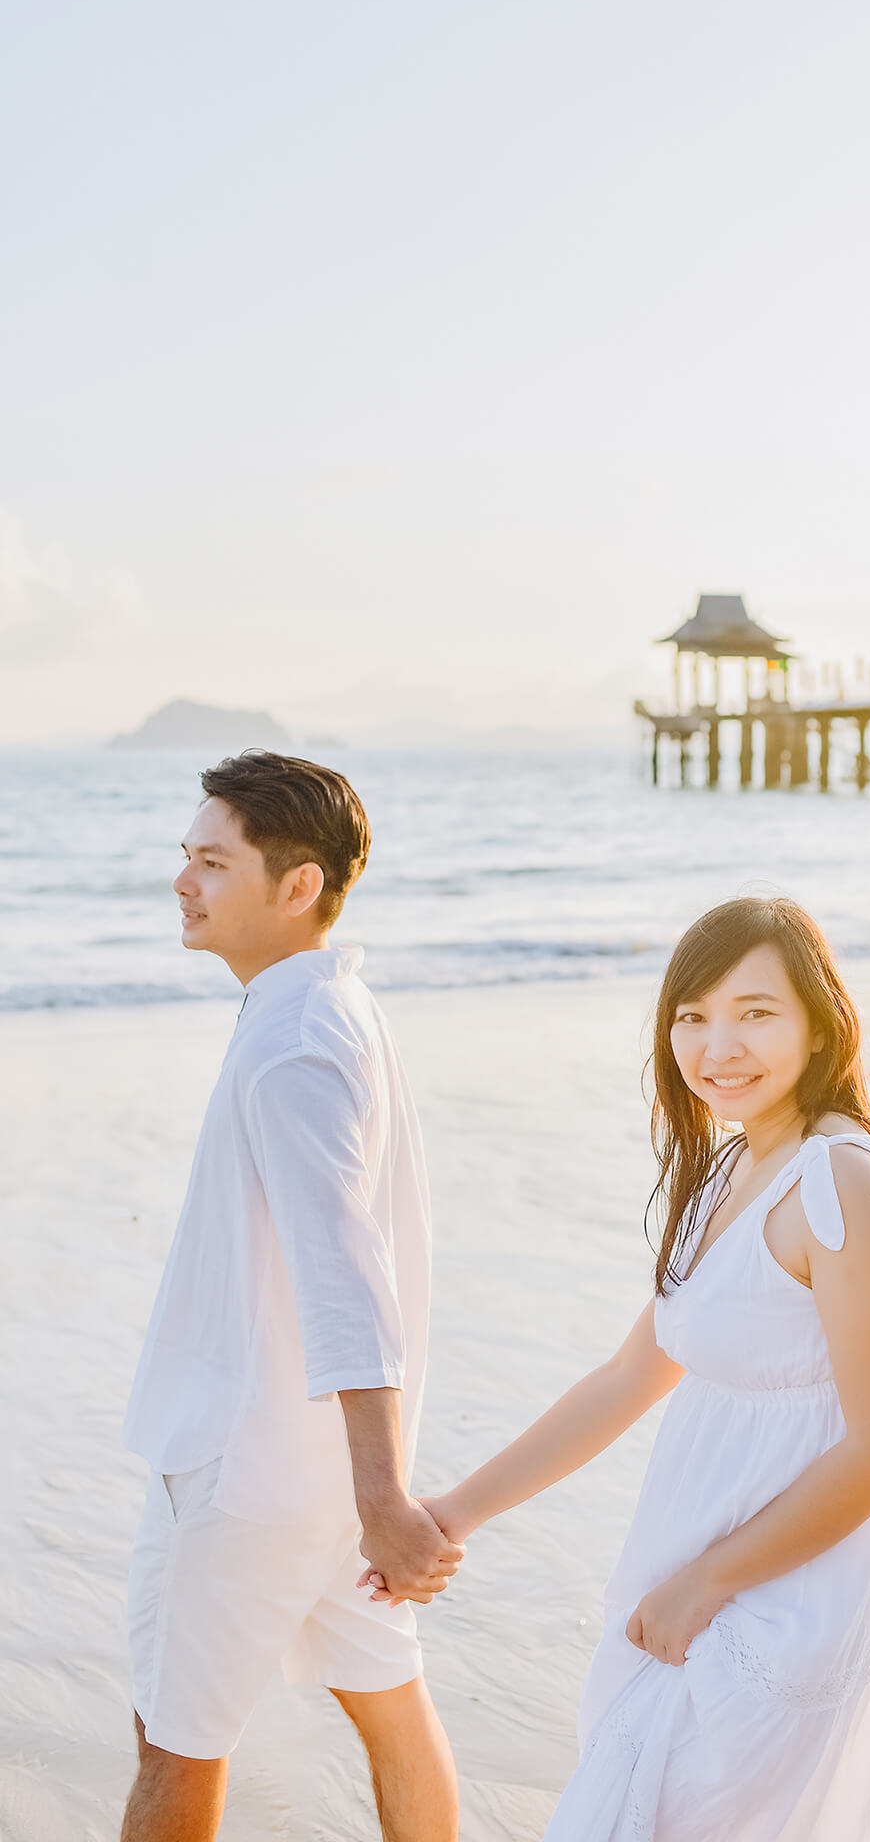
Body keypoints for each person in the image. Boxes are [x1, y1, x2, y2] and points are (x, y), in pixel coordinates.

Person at [390, 895, 870, 1840]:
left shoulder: (841, 1181)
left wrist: (709, 1582)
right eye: (693, 1017)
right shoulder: (728, 1175)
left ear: (820, 1025)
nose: (719, 1044)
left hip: (777, 1599)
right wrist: (454, 1512)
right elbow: (626, 1378)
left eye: (755, 1013)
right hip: (691, 1577)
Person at [120, 751, 462, 1842]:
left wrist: (382, 1497)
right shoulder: (331, 1007)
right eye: (187, 856)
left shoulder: (293, 1042)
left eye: (213, 861)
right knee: (392, 1711)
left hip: (250, 1465)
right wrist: (372, 1487)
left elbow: (342, 1275)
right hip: (302, 1467)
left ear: (297, 883)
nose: (184, 880)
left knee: (176, 1744)